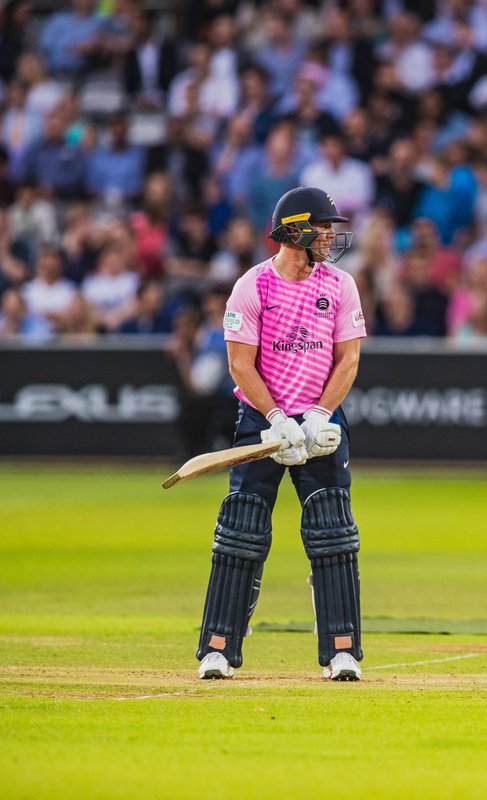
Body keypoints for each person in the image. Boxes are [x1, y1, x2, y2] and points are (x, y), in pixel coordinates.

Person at [196, 186, 367, 682]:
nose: (332, 235)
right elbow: (238, 364)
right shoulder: (252, 287)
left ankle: (342, 651)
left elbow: (348, 359)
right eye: (323, 226)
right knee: (241, 532)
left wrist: (318, 415)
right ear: (294, 231)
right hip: (262, 423)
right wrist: (275, 420)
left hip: (319, 424)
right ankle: (219, 648)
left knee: (333, 534)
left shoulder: (340, 285)